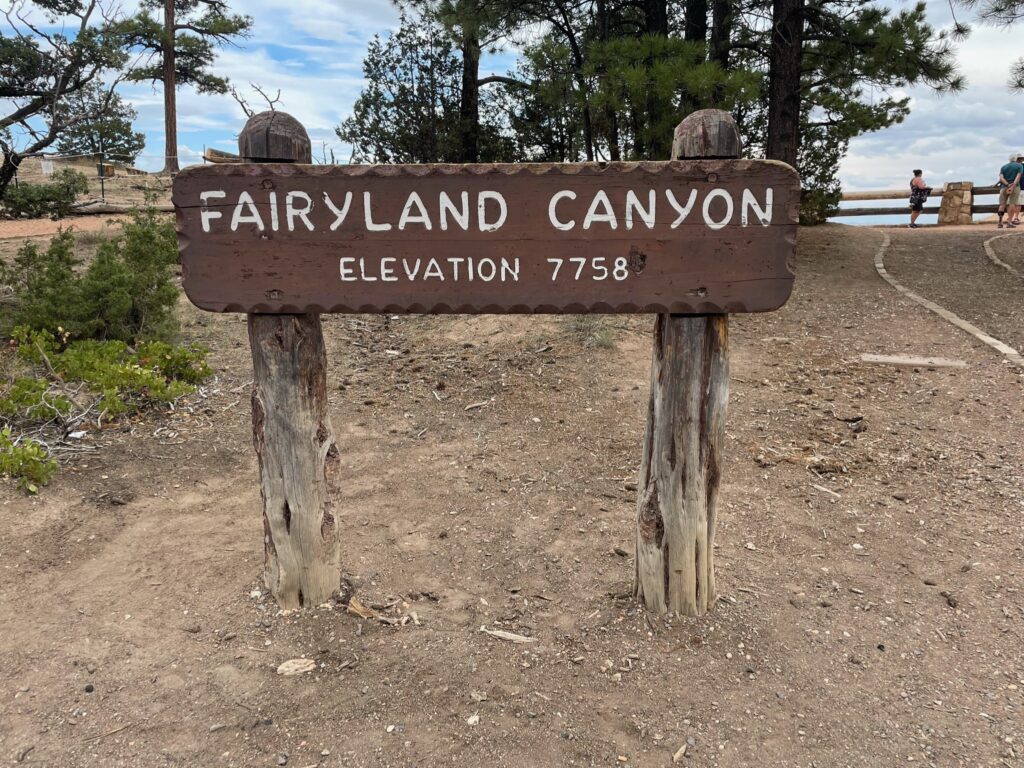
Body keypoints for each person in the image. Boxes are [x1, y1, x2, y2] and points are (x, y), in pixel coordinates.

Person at [996, 153, 1022, 229]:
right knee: (1012, 204)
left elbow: (1001, 177)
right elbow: (1018, 177)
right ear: (1016, 159)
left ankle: (1000, 222)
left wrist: (1007, 184)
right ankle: (1009, 223)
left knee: (1002, 205)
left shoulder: (1003, 167)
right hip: (1015, 187)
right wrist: (1013, 186)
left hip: (1004, 187)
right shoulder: (1019, 166)